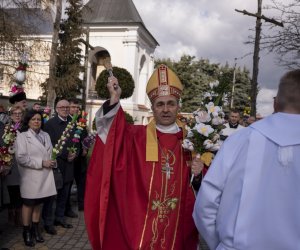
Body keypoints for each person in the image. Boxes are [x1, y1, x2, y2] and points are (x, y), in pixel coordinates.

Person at [85, 64, 203, 249]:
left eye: (170, 103)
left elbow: (205, 185)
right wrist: (115, 99)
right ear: (152, 108)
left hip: (178, 225)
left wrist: (198, 176)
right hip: (140, 223)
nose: (165, 109)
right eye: (160, 104)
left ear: (178, 106)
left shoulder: (192, 142)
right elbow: (111, 134)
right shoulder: (135, 136)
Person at [193, 69, 300, 250]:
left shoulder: (240, 140)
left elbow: (206, 204)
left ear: (275, 104)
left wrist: (221, 244)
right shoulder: (239, 137)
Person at [15, 110, 56, 247]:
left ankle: (35, 229)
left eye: (39, 119)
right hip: (30, 177)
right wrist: (41, 163)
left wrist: (52, 161)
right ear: (28, 121)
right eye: (33, 119)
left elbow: (49, 153)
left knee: (38, 204)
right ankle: (26, 232)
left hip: (44, 177)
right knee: (28, 205)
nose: (37, 122)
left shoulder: (46, 135)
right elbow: (21, 158)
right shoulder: (22, 137)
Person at [41, 99, 76, 235]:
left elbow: (76, 142)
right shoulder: (50, 124)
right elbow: (49, 144)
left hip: (69, 164)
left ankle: (59, 218)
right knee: (51, 196)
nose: (65, 109)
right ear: (56, 109)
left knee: (64, 194)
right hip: (56, 165)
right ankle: (48, 222)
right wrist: (65, 154)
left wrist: (75, 153)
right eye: (62, 107)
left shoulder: (73, 123)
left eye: (67, 107)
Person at [2, 106, 24, 227]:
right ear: (10, 116)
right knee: (12, 190)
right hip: (11, 162)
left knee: (21, 190)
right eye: (15, 113)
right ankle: (12, 214)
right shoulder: (7, 129)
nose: (17, 115)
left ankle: (19, 214)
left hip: (23, 163)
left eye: (19, 113)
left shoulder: (25, 129)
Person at [65, 98, 88, 215]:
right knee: (68, 183)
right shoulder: (66, 120)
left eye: (77, 108)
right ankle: (66, 206)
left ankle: (81, 204)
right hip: (69, 157)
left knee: (82, 181)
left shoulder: (81, 121)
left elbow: (85, 135)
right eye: (73, 107)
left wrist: (85, 147)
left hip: (81, 157)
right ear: (68, 108)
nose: (76, 109)